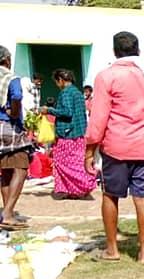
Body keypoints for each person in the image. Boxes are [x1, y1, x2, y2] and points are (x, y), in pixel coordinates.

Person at [84, 31, 144, 265]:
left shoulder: (106, 76)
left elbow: (98, 118)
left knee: (110, 196)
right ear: (138, 50)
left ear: (114, 51)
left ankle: (112, 250)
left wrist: (89, 150)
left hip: (116, 146)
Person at [41, 68, 96, 199]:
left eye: (56, 82)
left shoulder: (65, 93)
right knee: (77, 163)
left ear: (60, 80)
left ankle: (83, 185)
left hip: (68, 134)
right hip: (79, 134)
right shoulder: (77, 92)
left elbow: (67, 112)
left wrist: (49, 110)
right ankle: (75, 190)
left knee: (63, 163)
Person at [0, 45, 35, 230]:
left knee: (6, 170)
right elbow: (17, 96)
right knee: (21, 168)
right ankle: (7, 213)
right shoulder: (11, 78)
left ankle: (9, 212)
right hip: (9, 127)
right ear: (7, 60)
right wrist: (14, 113)